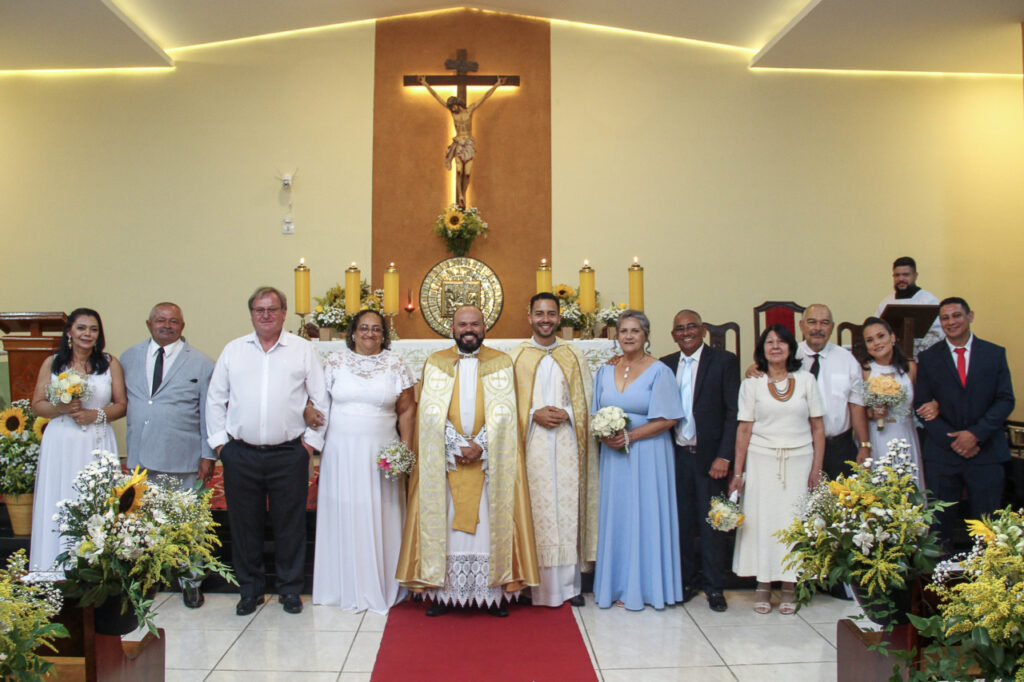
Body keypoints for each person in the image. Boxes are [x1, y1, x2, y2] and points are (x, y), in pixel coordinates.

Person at [397, 305, 538, 617]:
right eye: (462, 324)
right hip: (448, 461)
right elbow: (430, 413)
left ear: (485, 328)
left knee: (490, 524)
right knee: (446, 527)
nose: (469, 329)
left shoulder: (501, 362)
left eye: (475, 324)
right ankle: (443, 594)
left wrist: (482, 444)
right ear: (452, 329)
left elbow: (506, 412)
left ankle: (493, 594)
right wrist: (456, 444)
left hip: (489, 463)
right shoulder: (436, 362)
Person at [206, 286, 328, 616]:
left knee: (290, 525)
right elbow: (215, 399)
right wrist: (221, 446)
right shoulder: (234, 350)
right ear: (251, 314)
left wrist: (309, 446)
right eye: (259, 310)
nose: (266, 315)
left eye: (272, 309)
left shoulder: (302, 350)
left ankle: (290, 590)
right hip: (240, 454)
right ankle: (250, 590)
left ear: (284, 313)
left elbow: (320, 398)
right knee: (245, 526)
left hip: (288, 454)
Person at [310, 310, 416, 614]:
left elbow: (407, 409)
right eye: (364, 328)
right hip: (341, 451)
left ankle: (382, 583)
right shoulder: (334, 362)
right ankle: (341, 585)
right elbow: (317, 403)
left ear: (384, 334)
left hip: (381, 453)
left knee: (381, 511)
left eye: (377, 329)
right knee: (345, 509)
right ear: (353, 332)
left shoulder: (396, 363)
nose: (370, 333)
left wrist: (405, 449)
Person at [120, 302, 215, 608]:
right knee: (142, 523)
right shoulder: (128, 358)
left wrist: (208, 455)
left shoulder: (201, 363)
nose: (167, 325)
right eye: (160, 320)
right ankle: (147, 579)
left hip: (183, 458)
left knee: (188, 524)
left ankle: (191, 582)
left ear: (182, 326)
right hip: (141, 458)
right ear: (149, 324)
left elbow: (208, 414)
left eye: (174, 321)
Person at [729, 324, 825, 615]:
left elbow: (818, 427)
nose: (775, 346)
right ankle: (762, 584)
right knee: (763, 523)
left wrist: (817, 469)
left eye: (781, 342)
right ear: (762, 349)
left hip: (799, 460)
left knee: (793, 523)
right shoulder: (752, 384)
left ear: (791, 348)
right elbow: (744, 430)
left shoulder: (806, 380)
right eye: (769, 342)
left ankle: (790, 586)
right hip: (762, 460)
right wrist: (738, 473)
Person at [509, 293, 597, 607]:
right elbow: (506, 404)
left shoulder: (574, 355)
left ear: (559, 317)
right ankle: (531, 585)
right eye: (539, 313)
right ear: (529, 317)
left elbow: (588, 401)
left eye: (550, 314)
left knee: (566, 509)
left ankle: (570, 587)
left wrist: (568, 413)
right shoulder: (517, 357)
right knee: (536, 509)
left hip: (567, 442)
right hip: (531, 444)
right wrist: (534, 413)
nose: (545, 319)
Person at [592, 310, 683, 610]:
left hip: (649, 453)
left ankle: (648, 588)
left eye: (635, 331)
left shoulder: (660, 372)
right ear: (616, 336)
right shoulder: (604, 372)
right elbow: (594, 413)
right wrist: (605, 435)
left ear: (646, 335)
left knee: (646, 515)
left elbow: (669, 418)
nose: (629, 336)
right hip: (614, 456)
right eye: (623, 331)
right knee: (619, 517)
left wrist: (631, 436)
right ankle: (617, 585)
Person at [29, 308, 127, 572]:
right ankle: (52, 566)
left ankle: (97, 568)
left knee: (96, 499)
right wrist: (61, 408)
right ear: (69, 332)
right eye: (81, 328)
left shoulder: (109, 363)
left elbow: (122, 405)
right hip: (61, 439)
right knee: (61, 495)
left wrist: (95, 414)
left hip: (96, 438)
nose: (87, 334)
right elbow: (37, 405)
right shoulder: (53, 363)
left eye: (93, 329)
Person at [914, 297, 1014, 552]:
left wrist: (975, 435)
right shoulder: (928, 358)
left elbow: (1005, 400)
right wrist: (955, 441)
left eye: (956, 315)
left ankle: (988, 574)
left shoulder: (994, 354)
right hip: (942, 455)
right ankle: (940, 575)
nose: (951, 322)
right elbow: (921, 406)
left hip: (986, 452)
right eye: (945, 318)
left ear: (970, 316)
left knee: (988, 528)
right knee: (939, 529)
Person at [659, 309, 739, 612]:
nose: (686, 333)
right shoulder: (665, 365)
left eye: (691, 327)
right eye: (680, 329)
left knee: (712, 526)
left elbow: (733, 412)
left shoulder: (724, 361)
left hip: (710, 459)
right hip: (677, 456)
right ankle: (687, 581)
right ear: (673, 335)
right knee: (682, 523)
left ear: (703, 330)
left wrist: (724, 456)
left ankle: (714, 587)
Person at [418, 75, 506, 208]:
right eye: (450, 108)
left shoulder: (470, 110)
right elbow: (437, 97)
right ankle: (460, 196)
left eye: (453, 106)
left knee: (467, 174)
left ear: (457, 104)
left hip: (469, 144)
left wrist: (497, 84)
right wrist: (425, 84)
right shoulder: (453, 113)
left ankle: (463, 195)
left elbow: (484, 97)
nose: (452, 109)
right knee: (459, 171)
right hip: (459, 143)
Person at [858, 316, 923, 487]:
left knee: (907, 488)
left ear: (892, 337)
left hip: (904, 433)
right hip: (877, 436)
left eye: (881, 336)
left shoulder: (910, 367)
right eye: (870, 340)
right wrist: (871, 412)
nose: (876, 343)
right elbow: (858, 410)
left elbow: (921, 400)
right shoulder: (865, 370)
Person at [875, 256, 943, 355]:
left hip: (923, 356)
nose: (901, 279)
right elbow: (876, 330)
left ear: (915, 276)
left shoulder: (929, 300)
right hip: (892, 356)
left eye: (906, 275)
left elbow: (938, 332)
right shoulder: (885, 303)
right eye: (897, 275)